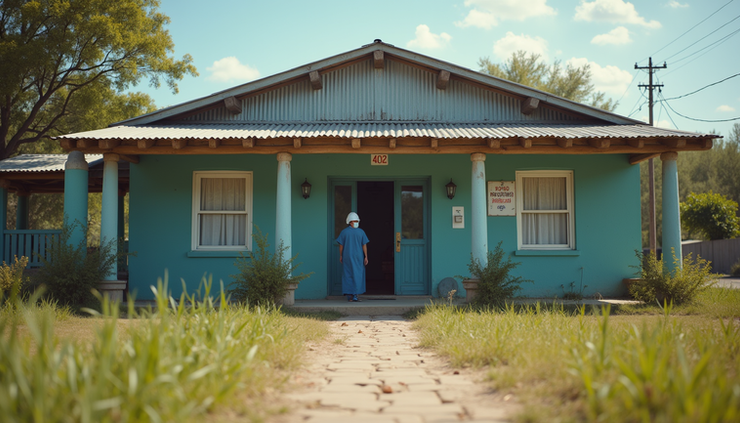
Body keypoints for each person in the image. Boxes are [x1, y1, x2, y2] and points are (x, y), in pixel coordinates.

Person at [336, 212, 369, 302]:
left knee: (348, 274)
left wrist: (341, 255)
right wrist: (365, 256)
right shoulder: (361, 232)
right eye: (354, 221)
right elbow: (364, 245)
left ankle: (349, 295)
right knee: (357, 274)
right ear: (350, 222)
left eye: (356, 221)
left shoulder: (344, 232)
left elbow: (341, 246)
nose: (355, 222)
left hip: (347, 256)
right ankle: (355, 294)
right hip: (358, 256)